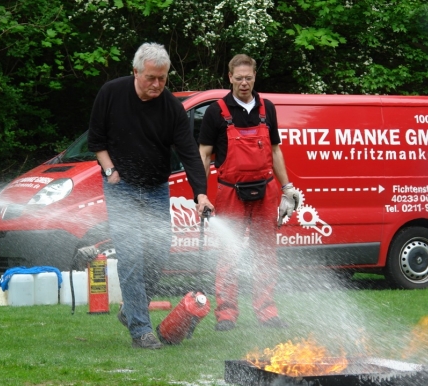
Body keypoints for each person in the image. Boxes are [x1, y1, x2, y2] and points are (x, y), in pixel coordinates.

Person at [88, 42, 214, 349]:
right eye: (151, 77)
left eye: (162, 77)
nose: (157, 84)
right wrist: (109, 171)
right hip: (121, 187)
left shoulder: (171, 108)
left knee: (158, 253)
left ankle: (131, 309)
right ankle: (141, 331)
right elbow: (97, 141)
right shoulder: (111, 94)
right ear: (135, 72)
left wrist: (201, 194)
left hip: (156, 188)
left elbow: (189, 153)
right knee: (131, 255)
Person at [198, 54, 300, 331]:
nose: (244, 83)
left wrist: (287, 187)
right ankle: (227, 314)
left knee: (265, 253)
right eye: (239, 78)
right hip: (230, 193)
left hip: (266, 192)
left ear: (255, 77)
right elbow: (204, 155)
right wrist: (201, 194)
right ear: (229, 77)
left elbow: (276, 150)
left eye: (249, 77)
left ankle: (267, 311)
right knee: (228, 254)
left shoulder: (267, 108)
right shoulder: (216, 112)